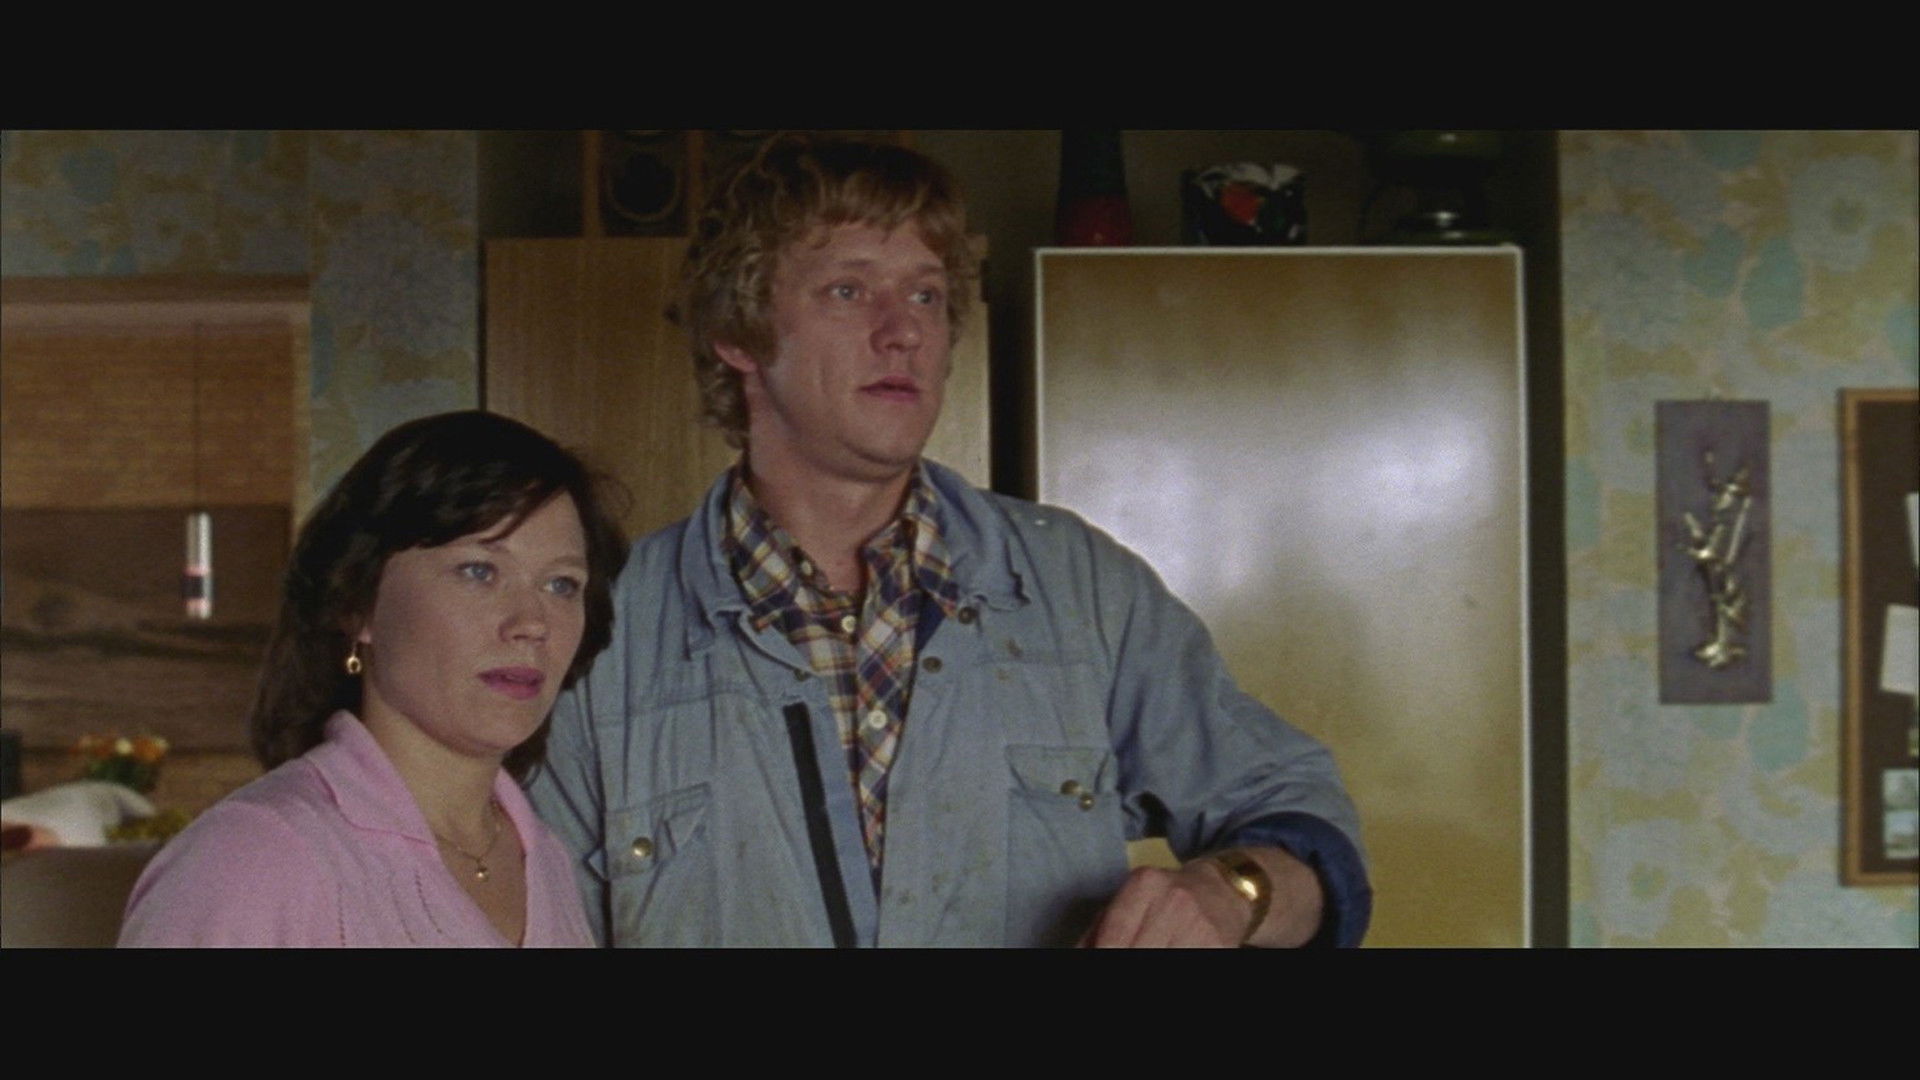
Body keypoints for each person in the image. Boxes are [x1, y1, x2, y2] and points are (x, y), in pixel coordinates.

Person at [530, 136, 1372, 947]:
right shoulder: (603, 633)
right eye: (849, 291)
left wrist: (1231, 894)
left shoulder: (1080, 589)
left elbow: (1302, 820)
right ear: (738, 334)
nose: (904, 331)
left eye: (927, 295)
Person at [119, 411, 628, 947]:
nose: (532, 622)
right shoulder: (251, 860)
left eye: (562, 584)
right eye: (479, 571)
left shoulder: (545, 857)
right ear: (358, 602)